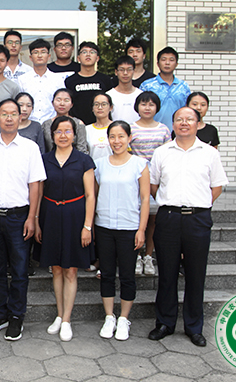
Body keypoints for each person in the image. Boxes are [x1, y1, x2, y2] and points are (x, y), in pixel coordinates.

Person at [147, 107, 228, 347]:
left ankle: (194, 327)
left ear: (197, 123)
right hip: (168, 218)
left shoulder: (209, 153)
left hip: (197, 219)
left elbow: (217, 186)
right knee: (167, 272)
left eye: (189, 119)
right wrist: (171, 203)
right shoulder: (162, 152)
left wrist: (199, 205)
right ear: (173, 124)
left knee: (195, 274)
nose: (184, 123)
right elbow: (153, 185)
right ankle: (165, 322)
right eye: (179, 119)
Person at [0, 99, 46, 341]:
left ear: (21, 117)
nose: (9, 118)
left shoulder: (30, 148)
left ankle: (17, 315)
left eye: (13, 114)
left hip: (19, 217)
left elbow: (35, 185)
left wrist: (32, 217)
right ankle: (0, 314)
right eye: (4, 114)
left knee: (19, 270)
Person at [36, 115, 94, 341]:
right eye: (58, 131)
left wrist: (87, 226)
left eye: (67, 131)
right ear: (52, 135)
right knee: (57, 268)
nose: (63, 135)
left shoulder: (84, 160)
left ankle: (67, 319)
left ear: (74, 135)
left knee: (71, 270)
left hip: (75, 216)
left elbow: (90, 195)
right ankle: (59, 316)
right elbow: (39, 191)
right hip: (50, 215)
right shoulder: (44, 159)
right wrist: (37, 220)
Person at [95, 121, 150, 341]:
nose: (116, 141)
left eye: (121, 136)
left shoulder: (139, 164)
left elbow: (145, 199)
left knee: (127, 276)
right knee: (107, 274)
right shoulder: (99, 165)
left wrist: (141, 229)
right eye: (112, 137)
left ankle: (124, 318)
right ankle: (109, 316)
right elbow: (94, 195)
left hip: (129, 227)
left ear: (129, 138)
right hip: (104, 227)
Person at [129, 91, 172, 276]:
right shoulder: (130, 128)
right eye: (143, 104)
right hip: (135, 179)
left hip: (156, 179)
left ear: (157, 108)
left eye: (151, 104)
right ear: (137, 106)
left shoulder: (164, 129)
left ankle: (148, 256)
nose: (147, 108)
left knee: (153, 219)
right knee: (136, 218)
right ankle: (136, 255)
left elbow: (168, 155)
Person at [139, 46, 191, 130]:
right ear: (158, 64)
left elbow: (188, 110)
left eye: (171, 60)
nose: (167, 63)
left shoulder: (183, 86)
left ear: (176, 64)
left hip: (178, 132)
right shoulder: (147, 86)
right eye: (163, 59)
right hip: (153, 131)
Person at [18, 39, 66, 124]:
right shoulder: (22, 79)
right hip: (29, 123)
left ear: (49, 56)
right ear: (30, 57)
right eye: (36, 52)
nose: (39, 55)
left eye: (43, 52)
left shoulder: (58, 79)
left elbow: (62, 102)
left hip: (52, 123)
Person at [64, 41, 113, 125]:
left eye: (92, 52)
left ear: (97, 58)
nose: (88, 55)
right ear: (78, 58)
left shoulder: (105, 79)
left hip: (100, 125)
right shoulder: (70, 81)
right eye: (84, 52)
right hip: (77, 125)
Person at [42, 88, 88, 154]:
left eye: (66, 100)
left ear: (71, 104)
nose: (62, 103)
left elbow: (82, 148)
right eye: (58, 100)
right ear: (52, 103)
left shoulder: (78, 123)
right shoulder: (46, 124)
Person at [107, 55, 142, 125]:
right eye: (122, 70)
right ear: (116, 72)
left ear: (134, 71)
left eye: (129, 69)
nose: (125, 73)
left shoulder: (140, 95)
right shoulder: (109, 95)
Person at [86, 93, 114, 161]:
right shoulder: (86, 129)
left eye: (104, 104)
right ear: (92, 108)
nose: (100, 107)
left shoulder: (117, 127)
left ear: (111, 107)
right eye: (96, 104)